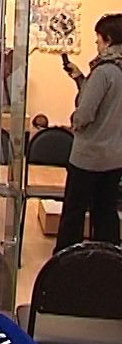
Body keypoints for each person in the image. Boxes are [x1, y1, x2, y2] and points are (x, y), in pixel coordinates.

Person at [55, 14, 122, 253]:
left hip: (89, 157)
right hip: (115, 157)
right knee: (105, 214)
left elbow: (85, 114)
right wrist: (79, 78)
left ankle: (65, 261)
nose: (96, 44)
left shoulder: (103, 72)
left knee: (73, 213)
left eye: (98, 39)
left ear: (109, 39)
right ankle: (108, 261)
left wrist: (74, 121)